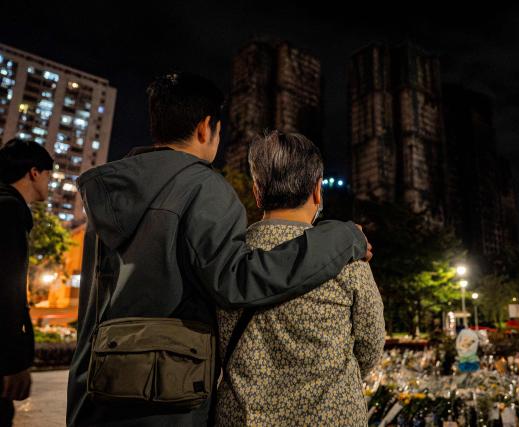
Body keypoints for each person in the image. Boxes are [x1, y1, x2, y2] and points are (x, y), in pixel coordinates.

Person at [66, 72, 372, 426]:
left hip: (99, 386)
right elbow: (236, 282)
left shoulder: (108, 193)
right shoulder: (203, 186)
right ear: (205, 128)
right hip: (165, 392)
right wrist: (342, 237)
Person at [216, 131, 385, 426]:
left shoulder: (227, 260)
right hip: (333, 417)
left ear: (257, 192)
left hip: (242, 419)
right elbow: (370, 346)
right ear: (318, 191)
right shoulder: (349, 260)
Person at [0, 139, 53, 426]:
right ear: (34, 172)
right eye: (49, 176)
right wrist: (12, 362)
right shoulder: (9, 212)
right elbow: (6, 292)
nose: (49, 183)